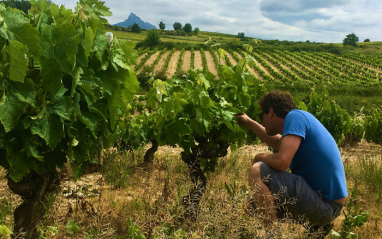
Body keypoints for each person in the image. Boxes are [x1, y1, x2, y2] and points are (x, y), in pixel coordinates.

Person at [236, 90, 347, 237]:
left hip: (324, 204)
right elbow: (277, 142)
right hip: (324, 203)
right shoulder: (297, 123)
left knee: (258, 170)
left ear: (270, 111)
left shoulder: (295, 117)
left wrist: (259, 156)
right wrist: (250, 123)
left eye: (261, 116)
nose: (262, 121)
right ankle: (317, 228)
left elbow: (282, 162)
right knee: (252, 205)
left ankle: (273, 235)